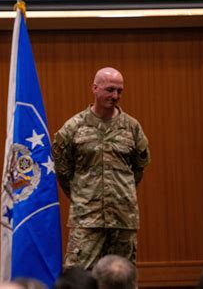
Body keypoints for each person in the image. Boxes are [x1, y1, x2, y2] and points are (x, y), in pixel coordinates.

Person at [52, 67, 150, 269]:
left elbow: (138, 169)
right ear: (95, 88)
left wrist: (120, 194)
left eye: (119, 91)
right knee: (77, 277)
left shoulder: (132, 127)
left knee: (121, 277)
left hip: (123, 218)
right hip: (87, 219)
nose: (115, 96)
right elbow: (62, 170)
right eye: (110, 90)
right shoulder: (74, 127)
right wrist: (83, 195)